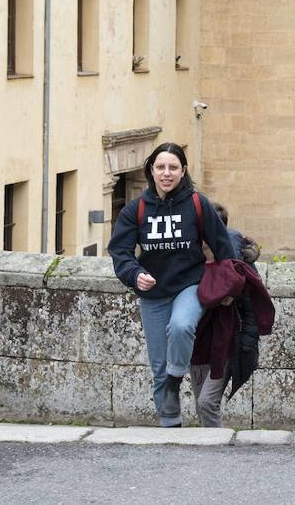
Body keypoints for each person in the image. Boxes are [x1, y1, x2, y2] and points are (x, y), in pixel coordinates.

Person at [108, 142, 236, 428]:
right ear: (151, 171)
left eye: (173, 168)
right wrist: (134, 274)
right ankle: (170, 428)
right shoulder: (136, 210)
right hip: (153, 294)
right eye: (160, 167)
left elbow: (224, 247)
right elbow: (120, 252)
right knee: (158, 368)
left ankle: (175, 380)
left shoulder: (197, 204)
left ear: (183, 171)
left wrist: (228, 287)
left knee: (181, 326)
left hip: (190, 285)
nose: (167, 173)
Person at [189, 203, 266, 428]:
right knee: (201, 403)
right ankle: (210, 449)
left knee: (206, 402)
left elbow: (252, 307)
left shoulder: (238, 263)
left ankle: (216, 449)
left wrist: (247, 346)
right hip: (200, 342)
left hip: (227, 343)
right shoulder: (189, 258)